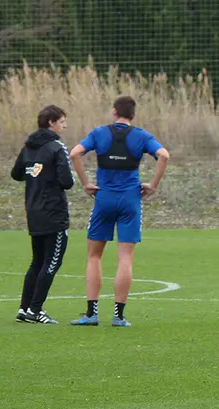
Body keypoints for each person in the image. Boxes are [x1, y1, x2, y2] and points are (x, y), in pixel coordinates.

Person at [68, 96, 170, 327]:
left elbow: (75, 153)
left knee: (94, 255)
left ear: (114, 112)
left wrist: (86, 183)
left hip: (103, 197)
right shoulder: (141, 136)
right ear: (132, 115)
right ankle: (119, 315)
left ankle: (91, 313)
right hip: (130, 199)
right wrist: (152, 185)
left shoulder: (99, 133)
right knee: (125, 257)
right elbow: (164, 155)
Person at [11, 105, 74, 324]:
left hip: (33, 210)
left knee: (37, 261)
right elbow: (67, 181)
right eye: (63, 121)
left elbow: (16, 173)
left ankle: (24, 308)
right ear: (52, 122)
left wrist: (36, 175)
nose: (65, 125)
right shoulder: (56, 147)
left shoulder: (29, 146)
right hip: (54, 213)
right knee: (51, 262)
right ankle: (36, 309)